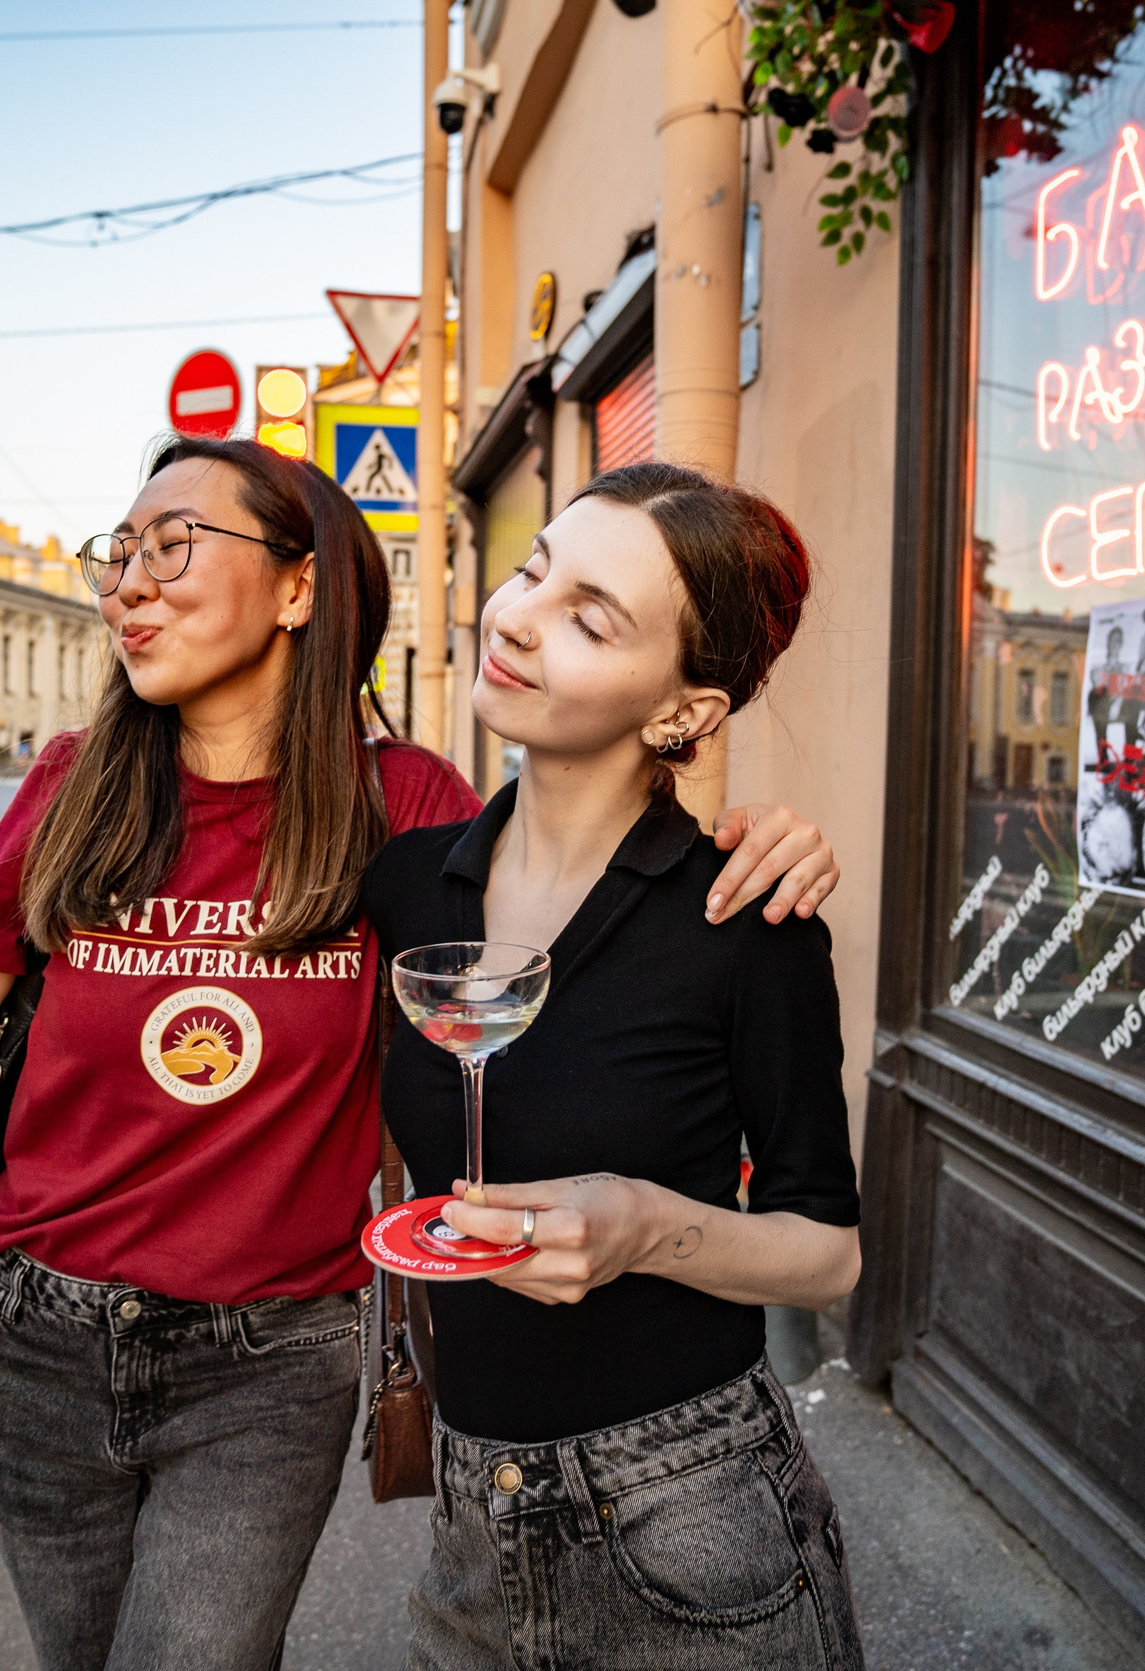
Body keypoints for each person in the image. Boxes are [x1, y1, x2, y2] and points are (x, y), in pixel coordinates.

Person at [0, 435, 842, 1671]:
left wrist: (757, 834)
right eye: (119, 550)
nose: (131, 578)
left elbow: (595, 863)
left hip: (273, 1361)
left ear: (299, 588)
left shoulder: (401, 810)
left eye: (176, 543)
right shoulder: (91, 786)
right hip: (39, 1335)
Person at [363, 463, 865, 1670]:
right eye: (534, 570)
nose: (520, 617)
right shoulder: (406, 883)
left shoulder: (747, 919)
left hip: (695, 1514)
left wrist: (643, 1227)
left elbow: (827, 1252)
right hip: (470, 1513)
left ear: (684, 712)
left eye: (590, 618)